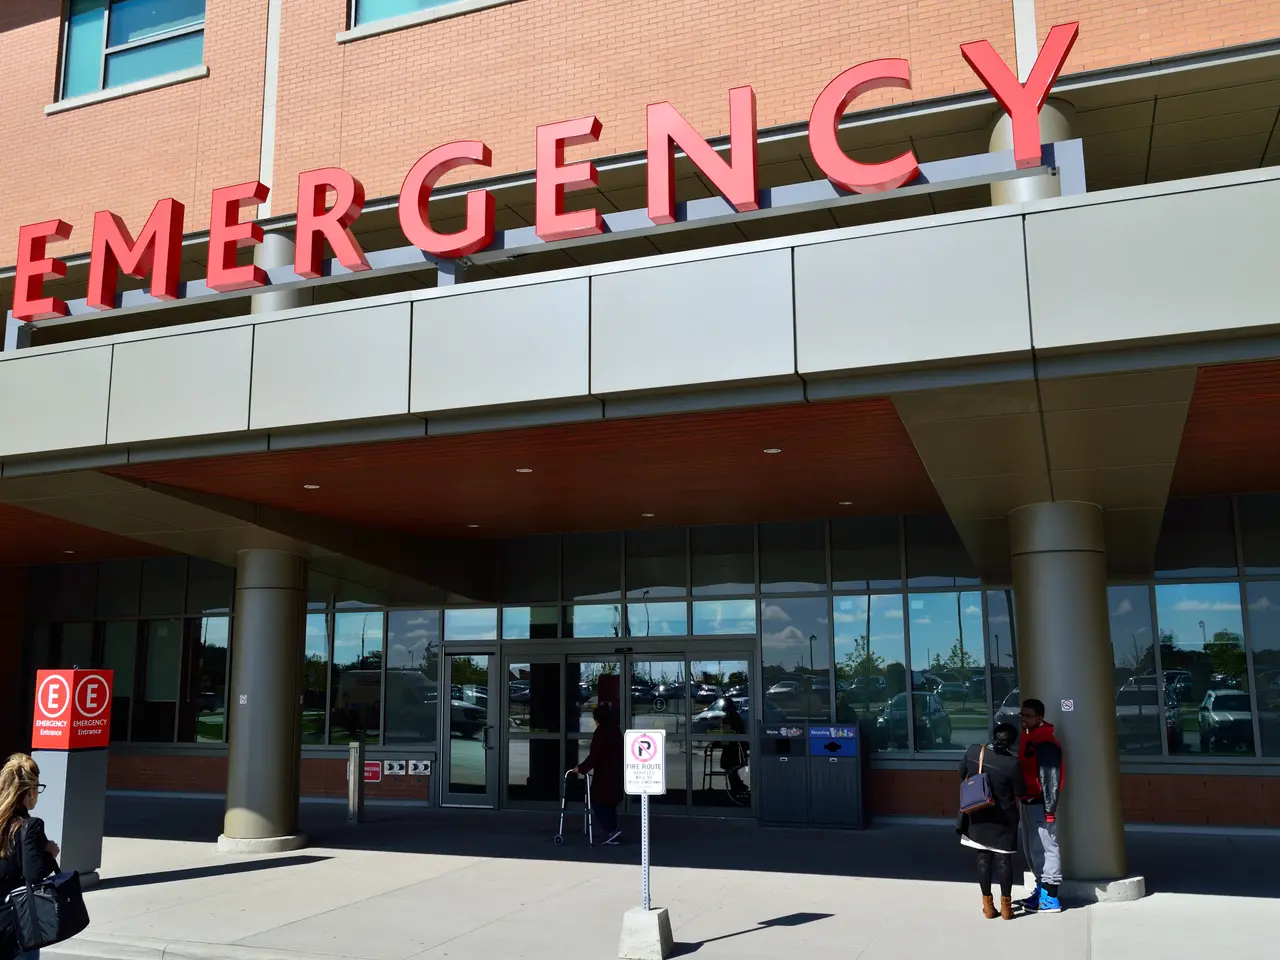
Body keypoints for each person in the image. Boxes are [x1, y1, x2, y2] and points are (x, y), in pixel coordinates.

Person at [957, 723, 1024, 920]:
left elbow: (962, 774)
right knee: (1004, 860)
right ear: (1012, 742)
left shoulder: (973, 751)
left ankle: (988, 906)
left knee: (983, 859)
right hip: (1004, 819)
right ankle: (1007, 909)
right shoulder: (1012, 764)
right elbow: (1021, 791)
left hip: (978, 813)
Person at [0, 754, 60, 960]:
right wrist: (49, 853)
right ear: (29, 792)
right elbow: (33, 876)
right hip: (16, 924)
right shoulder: (30, 826)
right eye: (38, 788)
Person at [1018, 698, 1065, 914]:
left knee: (1047, 848)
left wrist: (1049, 811)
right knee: (1033, 850)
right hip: (1027, 801)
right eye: (1022, 715)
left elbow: (1050, 779)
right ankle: (1041, 889)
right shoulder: (1028, 739)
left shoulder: (1045, 742)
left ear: (1039, 718)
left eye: (1027, 715)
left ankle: (1051, 897)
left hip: (1041, 804)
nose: (1023, 719)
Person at [574, 703, 623, 845]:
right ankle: (614, 832)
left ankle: (611, 830)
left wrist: (581, 768)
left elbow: (595, 755)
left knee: (597, 801)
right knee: (610, 804)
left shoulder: (601, 732)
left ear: (597, 719)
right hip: (617, 772)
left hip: (605, 774)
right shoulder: (615, 730)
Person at [719, 698, 747, 794]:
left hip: (732, 748)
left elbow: (726, 734)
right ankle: (738, 786)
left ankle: (737, 787)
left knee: (730, 768)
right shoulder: (737, 717)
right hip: (736, 746)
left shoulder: (728, 719)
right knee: (732, 769)